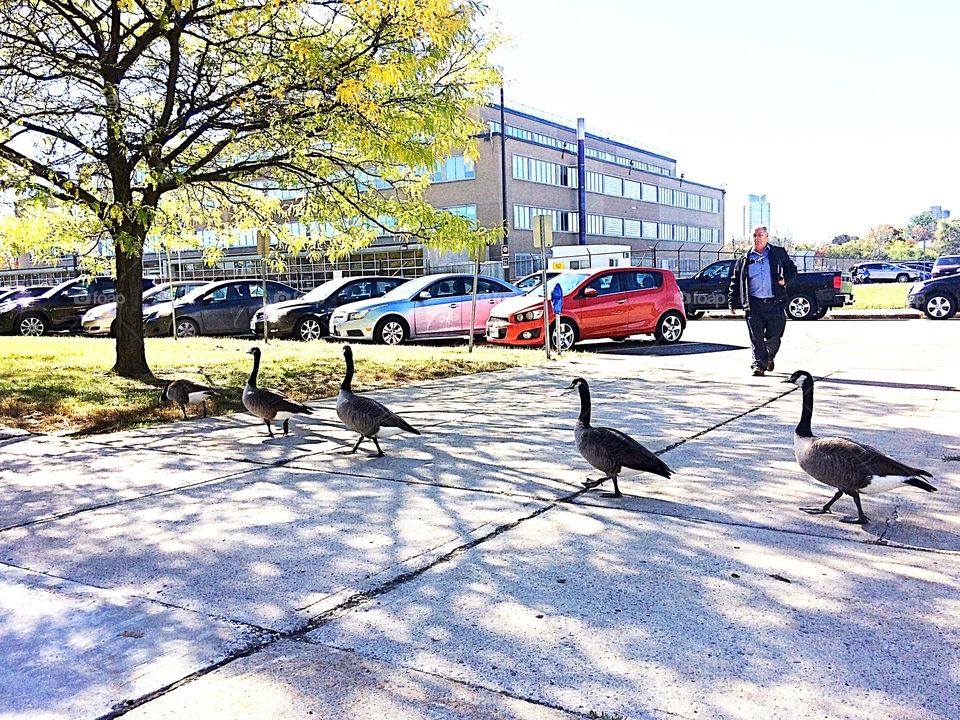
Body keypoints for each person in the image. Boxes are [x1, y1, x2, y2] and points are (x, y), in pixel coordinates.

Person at [728, 225, 798, 376]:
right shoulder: (744, 259)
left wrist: (785, 280)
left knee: (774, 337)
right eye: (754, 235)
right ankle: (759, 365)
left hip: (775, 302)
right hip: (754, 305)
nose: (757, 238)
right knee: (756, 336)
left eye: (760, 235)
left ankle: (769, 356)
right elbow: (735, 281)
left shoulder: (778, 253)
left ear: (767, 237)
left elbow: (792, 271)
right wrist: (732, 302)